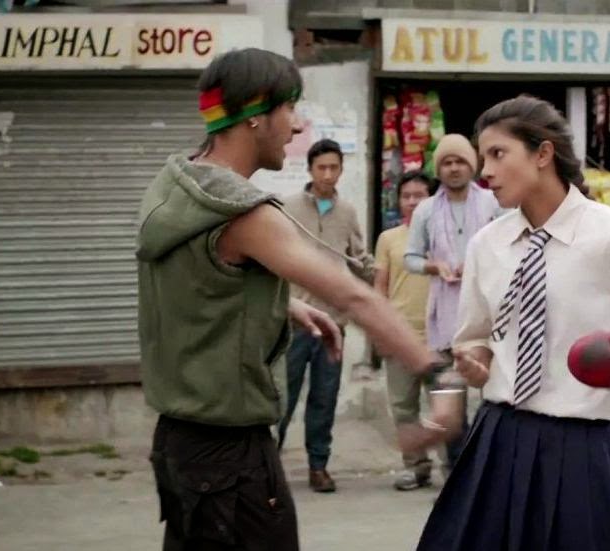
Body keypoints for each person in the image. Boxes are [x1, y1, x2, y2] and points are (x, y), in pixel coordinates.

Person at [136, 48, 438, 551]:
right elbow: (353, 296)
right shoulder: (244, 214)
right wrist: (433, 371)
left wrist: (283, 305)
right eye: (289, 108)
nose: (297, 126)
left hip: (181, 443)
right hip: (230, 456)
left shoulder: (178, 185)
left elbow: (195, 283)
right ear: (255, 116)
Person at [412, 95, 610, 550]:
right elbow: (474, 337)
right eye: (483, 157)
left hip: (582, 445)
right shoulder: (488, 245)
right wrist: (474, 361)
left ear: (543, 154)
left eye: (498, 154)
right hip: (498, 435)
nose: (485, 171)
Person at [277, 138, 374, 493]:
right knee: (281, 396)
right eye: (322, 168)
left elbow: (359, 258)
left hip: (333, 323)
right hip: (294, 323)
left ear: (341, 170)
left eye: (334, 168)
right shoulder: (287, 208)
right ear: (310, 170)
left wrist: (380, 273)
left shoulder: (346, 212)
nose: (328, 174)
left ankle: (318, 467)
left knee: (324, 397)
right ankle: (267, 467)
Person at [404, 133, 503, 470]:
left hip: (491, 313)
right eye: (447, 162)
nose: (454, 168)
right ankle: (456, 474)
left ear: (472, 166)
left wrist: (480, 265)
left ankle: (489, 472)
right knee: (450, 403)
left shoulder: (492, 203)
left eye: (460, 161)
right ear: (439, 169)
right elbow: (410, 258)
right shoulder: (426, 210)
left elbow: (512, 245)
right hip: (446, 317)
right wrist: (435, 266)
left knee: (496, 398)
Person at [374, 170, 437, 491]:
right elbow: (380, 288)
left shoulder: (443, 236)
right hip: (400, 336)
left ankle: (454, 467)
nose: (412, 202)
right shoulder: (388, 239)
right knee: (403, 408)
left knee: (444, 406)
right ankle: (415, 466)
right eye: (406, 196)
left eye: (419, 196)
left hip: (439, 337)